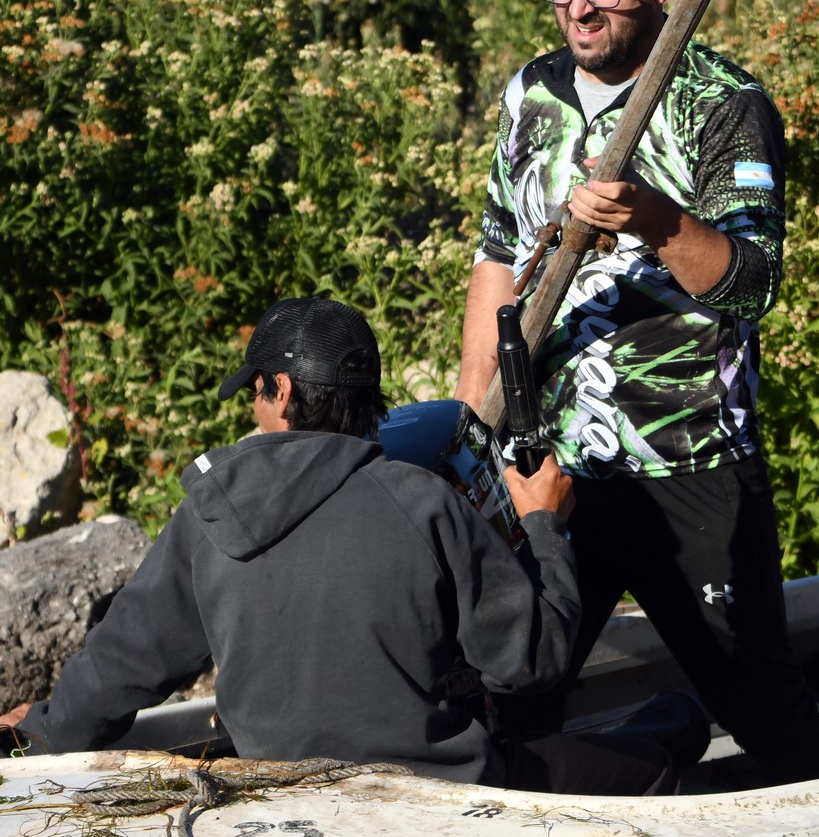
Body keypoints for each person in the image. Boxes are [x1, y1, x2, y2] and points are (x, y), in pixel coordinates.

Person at [452, 0, 819, 783]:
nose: (576, 6)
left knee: (765, 712)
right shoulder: (532, 93)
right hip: (550, 468)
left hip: (690, 464)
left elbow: (750, 286)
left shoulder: (725, 104)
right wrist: (471, 427)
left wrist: (657, 220)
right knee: (512, 697)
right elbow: (497, 257)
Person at [2, 296, 670, 793]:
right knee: (660, 755)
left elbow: (122, 665)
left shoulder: (209, 512)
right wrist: (545, 525)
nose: (256, 409)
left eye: (256, 392)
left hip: (278, 794)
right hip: (435, 790)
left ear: (283, 392)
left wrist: (45, 729)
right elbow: (530, 663)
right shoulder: (423, 500)